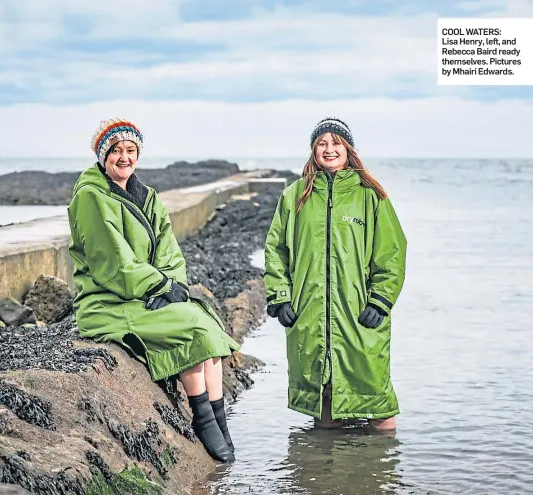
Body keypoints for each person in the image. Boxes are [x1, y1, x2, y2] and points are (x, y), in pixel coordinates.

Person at [67, 118, 239, 462]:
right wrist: (159, 285)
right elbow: (113, 263)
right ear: (103, 156)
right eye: (116, 151)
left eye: (131, 150)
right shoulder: (91, 198)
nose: (124, 157)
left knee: (207, 321)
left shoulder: (148, 196)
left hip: (145, 293)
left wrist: (173, 285)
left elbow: (169, 250)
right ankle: (202, 418)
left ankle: (220, 420)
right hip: (108, 302)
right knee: (192, 327)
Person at [264, 117, 407, 431]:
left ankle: (381, 472)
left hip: (358, 315)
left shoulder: (371, 195)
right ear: (314, 150)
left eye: (335, 142)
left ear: (348, 148)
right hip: (308, 314)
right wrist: (280, 296)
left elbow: (392, 252)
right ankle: (325, 476)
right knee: (322, 398)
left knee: (376, 397)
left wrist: (381, 299)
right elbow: (276, 249)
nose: (329, 149)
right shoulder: (294, 196)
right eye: (321, 143)